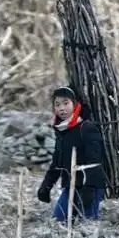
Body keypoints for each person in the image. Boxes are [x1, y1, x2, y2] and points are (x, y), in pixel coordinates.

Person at [37, 85, 106, 223]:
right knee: (58, 222)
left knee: (86, 225)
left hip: (89, 186)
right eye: (57, 104)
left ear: (75, 104)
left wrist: (90, 188)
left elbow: (95, 160)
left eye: (66, 103)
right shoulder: (62, 131)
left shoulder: (86, 128)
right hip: (71, 186)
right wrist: (46, 186)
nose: (61, 108)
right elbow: (57, 162)